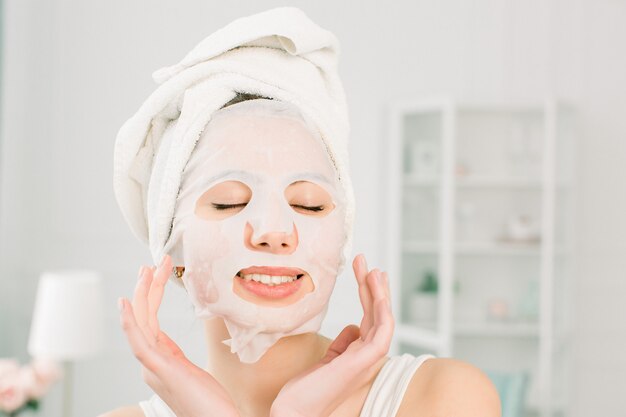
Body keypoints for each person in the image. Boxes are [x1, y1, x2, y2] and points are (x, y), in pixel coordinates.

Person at [100, 7, 500, 417]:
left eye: (308, 203)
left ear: (340, 238)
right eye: (230, 202)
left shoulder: (444, 397)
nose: (274, 232)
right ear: (172, 246)